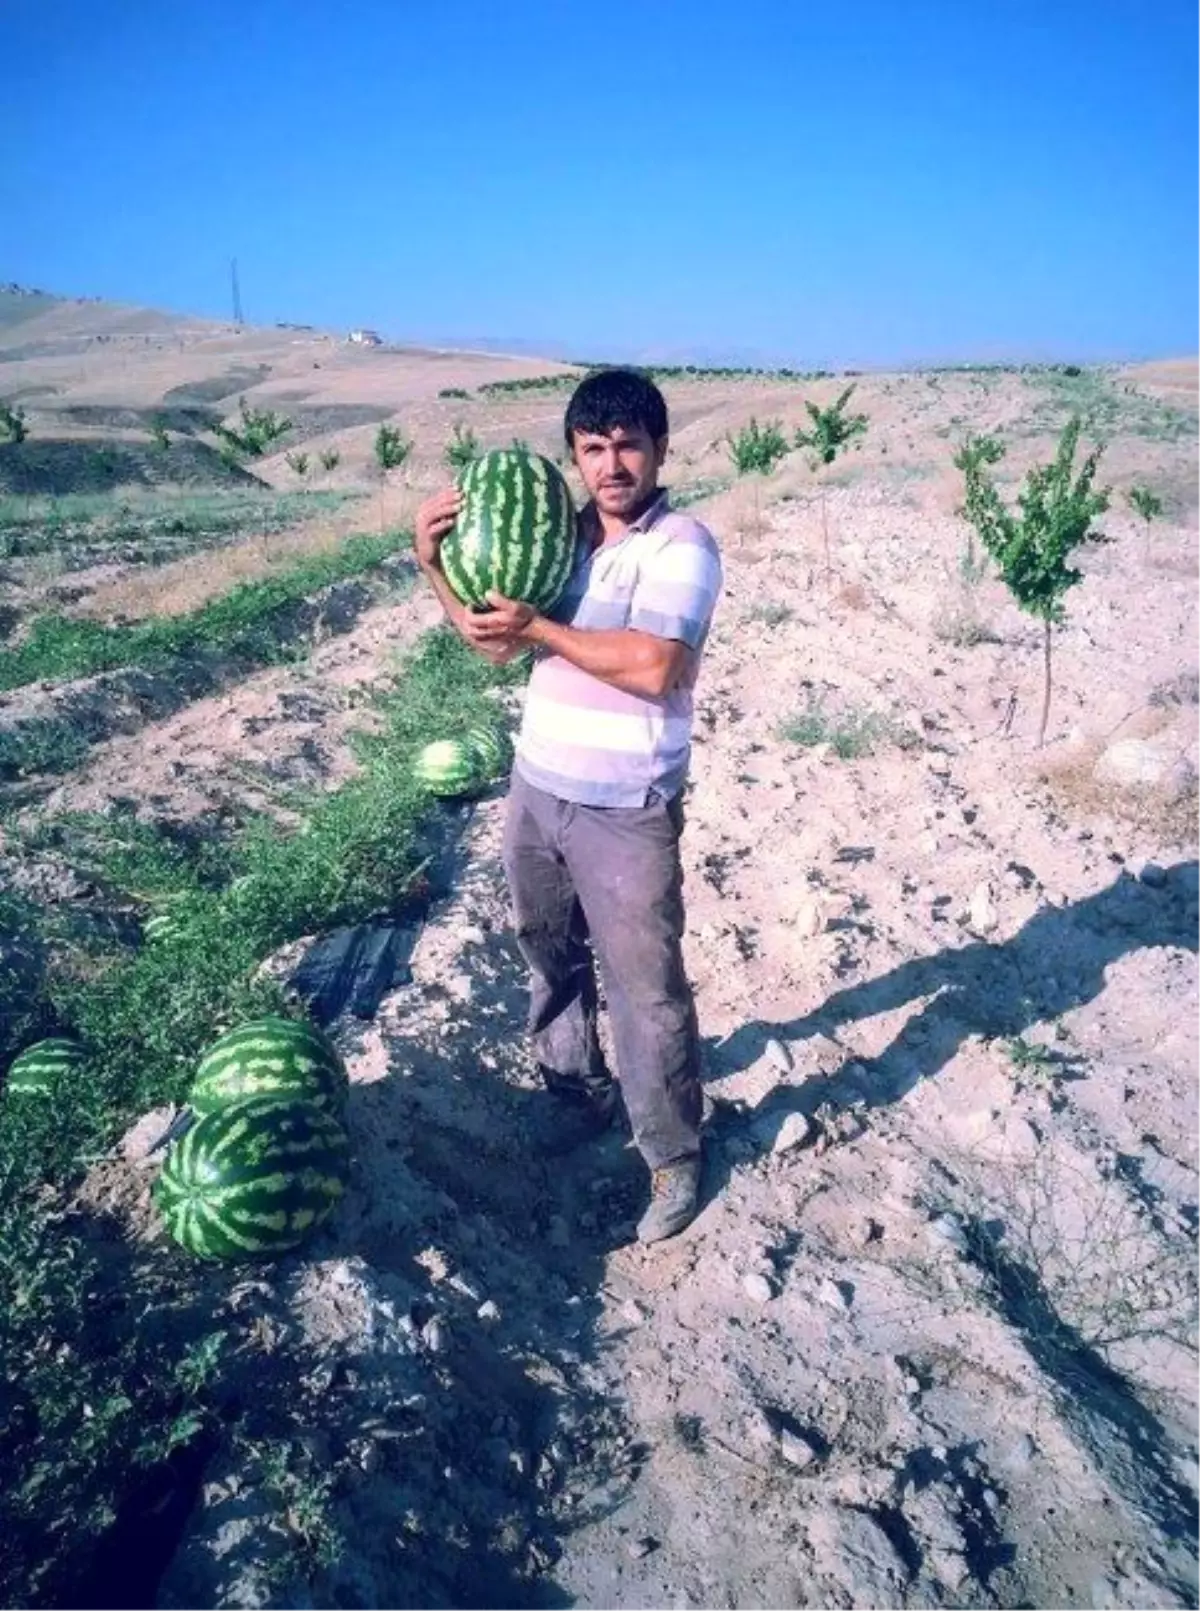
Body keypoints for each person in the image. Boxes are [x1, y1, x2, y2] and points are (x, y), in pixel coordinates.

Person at [413, 368, 723, 1244]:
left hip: (627, 807)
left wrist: (543, 628)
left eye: (628, 444)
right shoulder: (558, 540)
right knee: (549, 956)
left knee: (646, 988)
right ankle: (573, 1091)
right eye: (594, 448)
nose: (612, 463)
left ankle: (671, 1154)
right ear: (575, 457)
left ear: (660, 449)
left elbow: (658, 665)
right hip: (537, 787)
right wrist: (435, 569)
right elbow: (490, 646)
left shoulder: (682, 545)